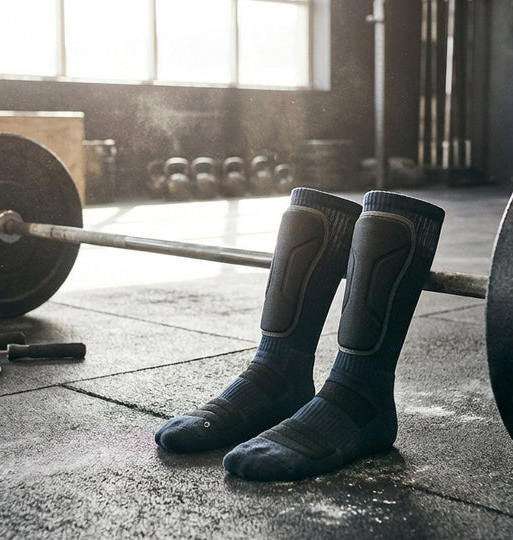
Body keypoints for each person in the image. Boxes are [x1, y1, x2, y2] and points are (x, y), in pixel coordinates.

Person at [155, 187, 444, 481]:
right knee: (309, 220)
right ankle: (276, 370)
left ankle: (360, 392)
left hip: (367, 397)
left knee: (386, 228)